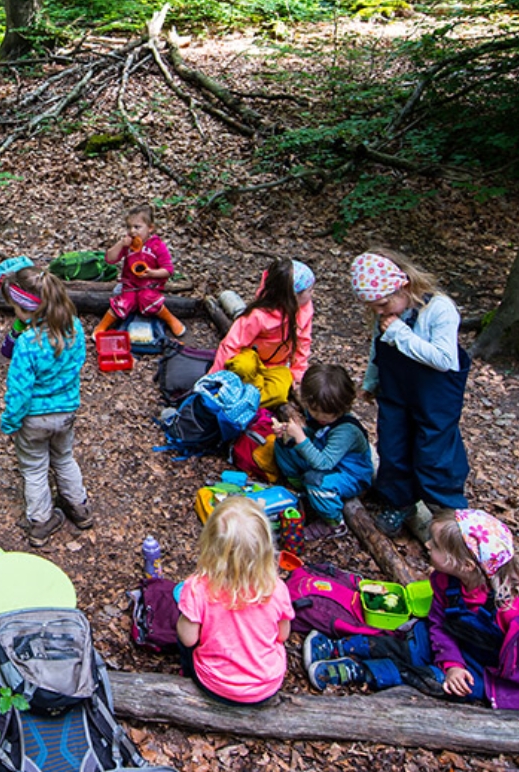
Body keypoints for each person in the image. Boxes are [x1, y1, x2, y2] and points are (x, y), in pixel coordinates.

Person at [305, 509, 519, 759]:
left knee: (435, 681)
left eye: (435, 545)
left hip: (489, 673)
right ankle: (349, 645)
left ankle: (362, 671)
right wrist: (453, 661)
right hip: (456, 649)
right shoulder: (447, 581)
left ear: (466, 564)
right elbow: (438, 622)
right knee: (415, 638)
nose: (427, 545)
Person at [352, 248, 469, 536]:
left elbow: (443, 359)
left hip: (435, 396)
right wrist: (371, 381)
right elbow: (376, 349)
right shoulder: (387, 317)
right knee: (393, 446)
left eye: (382, 304)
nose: (379, 312)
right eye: (374, 308)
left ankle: (448, 514)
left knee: (434, 452)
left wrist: (401, 334)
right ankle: (399, 501)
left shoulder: (439, 310)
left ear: (402, 286)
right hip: (396, 392)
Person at [0, 269, 91, 547]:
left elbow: (20, 391)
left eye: (16, 308)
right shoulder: (75, 327)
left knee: (35, 469)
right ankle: (80, 509)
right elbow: (79, 363)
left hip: (34, 419)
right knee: (64, 458)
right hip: (65, 413)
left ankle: (41, 522)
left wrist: (10, 423)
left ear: (27, 309)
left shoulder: (28, 344)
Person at [175, 498, 293, 706]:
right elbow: (283, 635)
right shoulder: (275, 588)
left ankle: (187, 673)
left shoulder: (197, 588)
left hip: (215, 684)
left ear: (210, 546)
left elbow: (188, 639)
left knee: (184, 626)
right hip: (266, 685)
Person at [271, 364, 374, 538]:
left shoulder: (346, 431)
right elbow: (315, 434)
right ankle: (301, 489)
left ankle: (334, 523)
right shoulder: (320, 414)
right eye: (313, 410)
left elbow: (323, 463)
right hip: (324, 458)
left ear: (340, 408)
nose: (318, 416)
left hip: (349, 473)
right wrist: (288, 433)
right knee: (282, 445)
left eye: (324, 414)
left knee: (316, 481)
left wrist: (300, 437)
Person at [207, 258, 314, 408]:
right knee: (242, 366)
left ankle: (242, 400)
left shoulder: (305, 310)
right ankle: (239, 393)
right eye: (309, 291)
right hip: (251, 357)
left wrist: (298, 372)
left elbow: (303, 342)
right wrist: (214, 377)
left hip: (276, 365)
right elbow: (231, 344)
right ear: (292, 297)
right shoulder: (259, 314)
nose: (312, 293)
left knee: (281, 390)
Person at [93, 206, 185, 339]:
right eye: (129, 227)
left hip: (149, 286)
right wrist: (121, 244)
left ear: (150, 228)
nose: (132, 231)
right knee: (124, 302)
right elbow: (110, 259)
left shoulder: (157, 246)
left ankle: (171, 320)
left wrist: (152, 273)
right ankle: (101, 326)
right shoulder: (128, 245)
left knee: (148, 298)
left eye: (137, 227)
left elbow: (168, 270)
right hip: (130, 285)